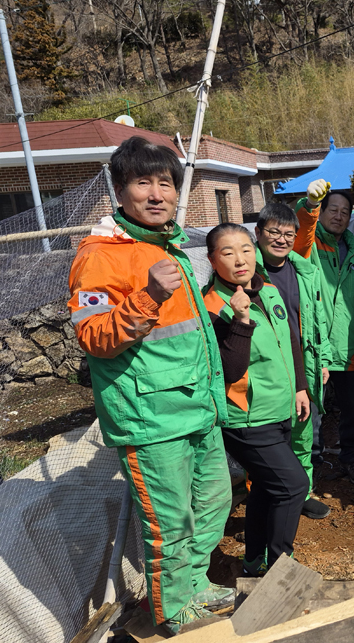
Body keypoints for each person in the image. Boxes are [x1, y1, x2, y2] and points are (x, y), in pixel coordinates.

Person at [68, 136, 233, 635]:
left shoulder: (166, 247)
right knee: (170, 523)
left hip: (196, 408)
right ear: (120, 191)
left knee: (214, 502)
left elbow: (187, 334)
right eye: (144, 182)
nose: (157, 194)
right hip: (150, 419)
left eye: (166, 183)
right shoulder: (100, 256)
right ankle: (175, 610)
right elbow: (94, 337)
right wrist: (148, 297)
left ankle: (196, 583)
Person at [202, 223, 311, 577]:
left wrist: (299, 387)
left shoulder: (270, 290)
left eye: (246, 249)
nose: (240, 259)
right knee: (294, 486)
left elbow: (290, 339)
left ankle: (252, 562)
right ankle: (280, 568)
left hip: (279, 409)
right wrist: (241, 319)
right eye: (228, 252)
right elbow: (230, 370)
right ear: (212, 260)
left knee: (266, 487)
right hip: (246, 419)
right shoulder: (211, 306)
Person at [293, 179, 354, 484]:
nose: (339, 216)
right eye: (333, 209)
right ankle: (311, 463)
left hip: (348, 343)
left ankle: (351, 457)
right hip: (315, 345)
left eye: (345, 212)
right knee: (312, 409)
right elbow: (302, 229)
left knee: (351, 408)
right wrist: (310, 205)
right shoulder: (310, 245)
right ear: (323, 212)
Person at [254, 201, 332, 520]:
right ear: (258, 232)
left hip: (303, 366)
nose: (281, 239)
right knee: (268, 439)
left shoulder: (302, 271)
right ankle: (266, 499)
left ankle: (303, 493)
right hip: (265, 370)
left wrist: (323, 360)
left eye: (288, 234)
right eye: (274, 232)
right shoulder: (246, 271)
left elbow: (317, 321)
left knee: (303, 432)